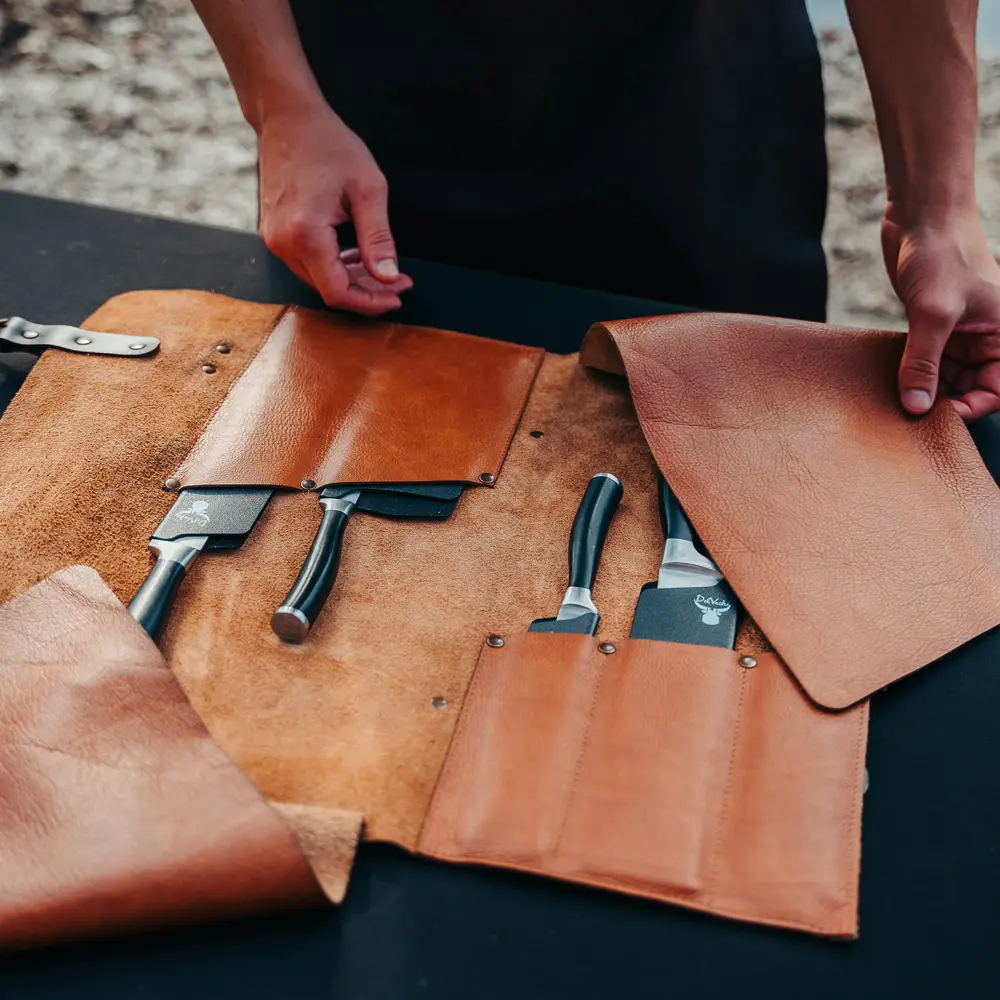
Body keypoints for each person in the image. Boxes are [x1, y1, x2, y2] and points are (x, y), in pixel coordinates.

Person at [193, 0, 1000, 420]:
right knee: (357, 459)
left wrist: (937, 206)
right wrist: (281, 104)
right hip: (375, 104)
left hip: (702, 91)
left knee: (733, 489)